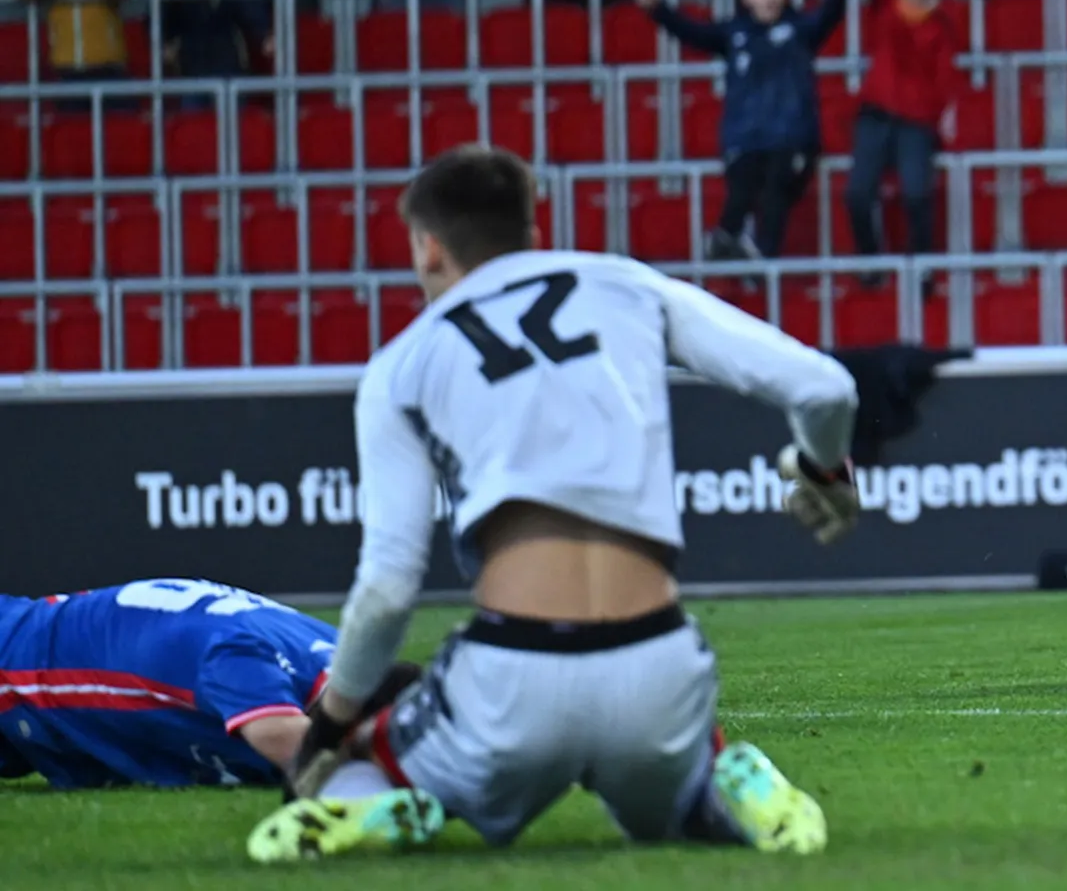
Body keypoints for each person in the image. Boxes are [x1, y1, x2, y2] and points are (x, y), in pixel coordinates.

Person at [245, 145, 861, 862]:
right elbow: (825, 389)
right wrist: (824, 472)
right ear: (533, 234)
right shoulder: (628, 286)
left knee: (353, 763)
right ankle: (727, 786)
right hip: (658, 666)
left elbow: (386, 589)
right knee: (672, 806)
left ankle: (380, 803)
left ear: (429, 248)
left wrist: (325, 729)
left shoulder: (401, 366)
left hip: (511, 679)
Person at [0, 577, 414, 790]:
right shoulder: (246, 659)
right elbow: (295, 746)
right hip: (17, 665)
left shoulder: (340, 656)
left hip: (55, 702)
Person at [636, 0, 848, 260]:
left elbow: (828, 17)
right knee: (741, 191)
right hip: (745, 138)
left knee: (777, 188)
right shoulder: (733, 33)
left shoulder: (801, 31)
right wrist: (657, 9)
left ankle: (760, 260)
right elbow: (691, 31)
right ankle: (727, 241)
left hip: (793, 138)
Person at [833, 0, 962, 269]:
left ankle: (920, 268)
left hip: (916, 123)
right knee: (857, 194)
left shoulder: (944, 23)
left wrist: (938, 120)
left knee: (918, 195)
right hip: (875, 116)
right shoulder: (885, 5)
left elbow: (945, 79)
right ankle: (870, 265)